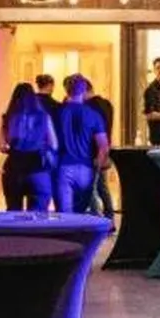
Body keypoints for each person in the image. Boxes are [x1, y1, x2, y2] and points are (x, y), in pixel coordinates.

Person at [54, 74, 110, 216]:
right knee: (80, 214)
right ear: (84, 90)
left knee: (65, 216)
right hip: (86, 169)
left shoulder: (58, 112)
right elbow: (103, 146)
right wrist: (97, 167)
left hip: (63, 168)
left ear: (67, 90)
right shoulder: (94, 114)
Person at [0, 82, 58, 212]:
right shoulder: (44, 117)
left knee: (13, 210)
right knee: (38, 213)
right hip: (37, 168)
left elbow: (1, 146)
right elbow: (54, 144)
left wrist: (13, 146)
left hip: (14, 167)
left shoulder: (7, 117)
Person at [86, 84, 117, 218]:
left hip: (92, 150)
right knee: (102, 186)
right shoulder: (107, 104)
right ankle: (109, 214)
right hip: (105, 149)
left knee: (90, 187)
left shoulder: (88, 107)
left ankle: (97, 216)